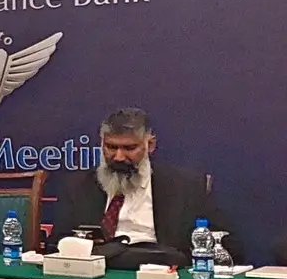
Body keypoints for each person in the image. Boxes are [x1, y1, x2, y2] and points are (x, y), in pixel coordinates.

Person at [49, 107, 233, 260]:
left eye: (129, 148)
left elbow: (224, 245)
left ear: (150, 145)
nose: (119, 157)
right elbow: (56, 245)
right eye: (111, 147)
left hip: (160, 275)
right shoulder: (77, 186)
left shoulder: (187, 187)